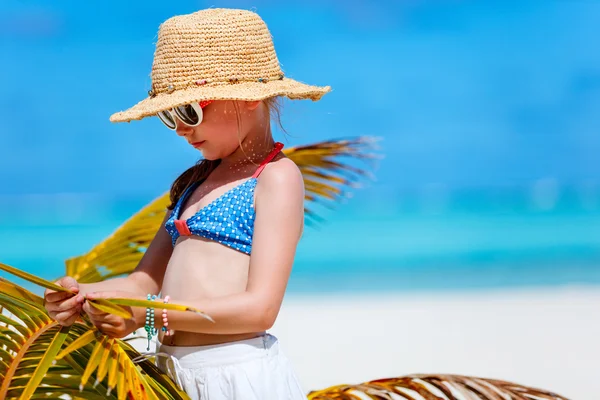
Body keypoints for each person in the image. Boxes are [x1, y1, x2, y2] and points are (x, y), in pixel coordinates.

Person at [43, 8, 330, 400]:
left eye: (190, 110)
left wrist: (146, 314)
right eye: (170, 115)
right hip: (173, 374)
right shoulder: (193, 182)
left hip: (236, 374)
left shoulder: (275, 178)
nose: (180, 128)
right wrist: (82, 295)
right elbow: (142, 282)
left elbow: (260, 308)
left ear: (246, 97)